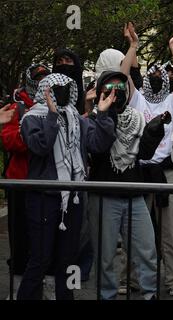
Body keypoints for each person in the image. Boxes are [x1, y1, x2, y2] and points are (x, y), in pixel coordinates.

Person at [17, 73, 116, 300]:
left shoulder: (77, 119)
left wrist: (102, 114)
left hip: (73, 199)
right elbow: (40, 146)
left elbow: (98, 143)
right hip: (43, 199)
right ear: (45, 91)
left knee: (67, 259)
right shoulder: (32, 118)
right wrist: (52, 116)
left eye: (66, 88)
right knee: (40, 259)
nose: (61, 92)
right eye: (56, 88)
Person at [121, 22, 173, 297]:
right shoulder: (136, 99)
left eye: (161, 74)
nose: (156, 77)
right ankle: (131, 278)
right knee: (132, 231)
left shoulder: (172, 102)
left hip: (165, 173)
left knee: (170, 232)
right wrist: (133, 46)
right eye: (152, 74)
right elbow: (122, 72)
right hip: (138, 171)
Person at [87, 70, 163, 300]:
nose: (115, 94)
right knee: (106, 257)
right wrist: (103, 115)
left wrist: (154, 132)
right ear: (100, 91)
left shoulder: (137, 118)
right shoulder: (92, 119)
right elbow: (97, 148)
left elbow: (144, 154)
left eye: (120, 89)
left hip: (134, 196)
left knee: (147, 253)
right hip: (104, 198)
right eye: (109, 88)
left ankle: (151, 296)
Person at [1, 64, 50, 299]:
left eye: (45, 77)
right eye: (37, 77)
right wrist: (36, 138)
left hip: (47, 184)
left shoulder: (56, 105)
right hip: (20, 183)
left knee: (46, 239)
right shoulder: (16, 107)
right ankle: (19, 289)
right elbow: (10, 141)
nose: (42, 81)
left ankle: (44, 286)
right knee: (20, 238)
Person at [52, 48, 85, 115]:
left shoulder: (86, 98)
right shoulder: (48, 93)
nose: (63, 64)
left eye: (68, 61)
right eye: (59, 62)